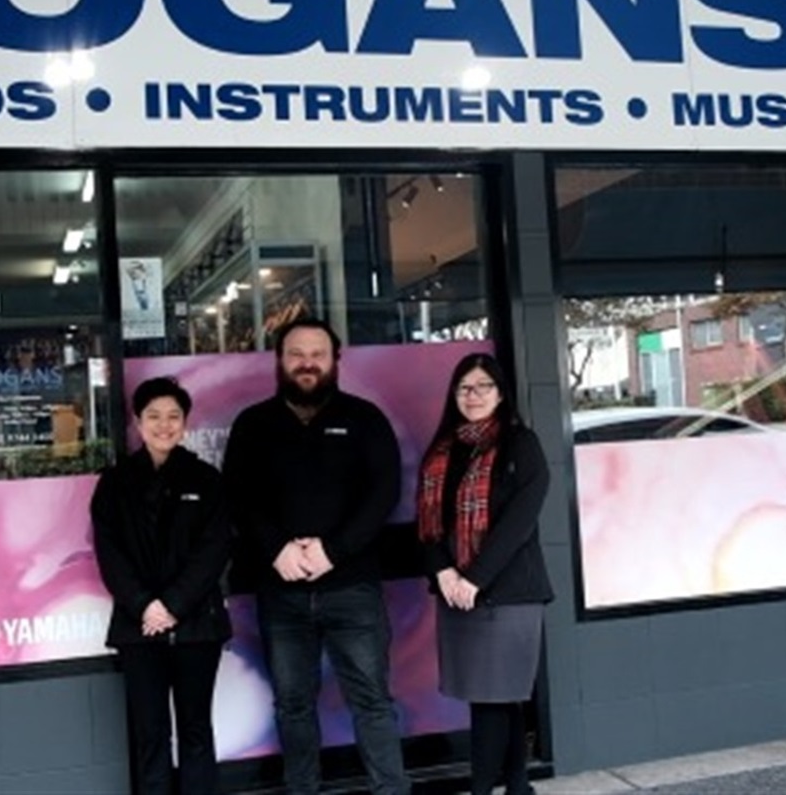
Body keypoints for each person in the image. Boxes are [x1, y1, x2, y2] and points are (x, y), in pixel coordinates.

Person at [222, 318, 410, 795]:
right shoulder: (253, 424)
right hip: (281, 592)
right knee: (292, 706)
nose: (307, 362)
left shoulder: (366, 418)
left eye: (318, 354)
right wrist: (276, 548)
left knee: (372, 702)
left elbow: (383, 491)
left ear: (335, 360)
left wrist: (333, 550)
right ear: (279, 361)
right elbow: (239, 497)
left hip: (353, 589)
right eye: (296, 353)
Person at [417, 353, 552, 795]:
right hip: (456, 590)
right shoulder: (441, 450)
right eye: (464, 388)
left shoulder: (520, 444)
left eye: (483, 387)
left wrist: (474, 579)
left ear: (500, 393)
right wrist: (444, 574)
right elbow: (427, 524)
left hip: (507, 592)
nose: (473, 396)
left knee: (495, 699)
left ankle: (480, 790)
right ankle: (517, 786)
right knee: (493, 697)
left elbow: (520, 522)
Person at [92, 377, 232, 795]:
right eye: (153, 416)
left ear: (186, 423)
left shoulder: (206, 479)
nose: (164, 425)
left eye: (173, 416)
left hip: (196, 627)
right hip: (139, 628)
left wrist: (171, 605)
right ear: (137, 422)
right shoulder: (114, 484)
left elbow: (214, 550)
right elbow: (110, 554)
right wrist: (144, 606)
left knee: (195, 730)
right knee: (150, 734)